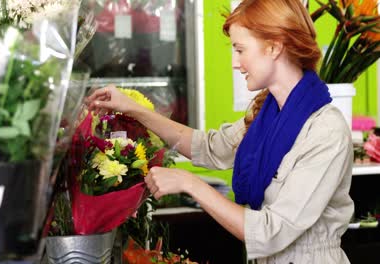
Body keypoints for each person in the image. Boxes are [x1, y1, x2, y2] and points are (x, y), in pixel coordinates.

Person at [86, 0, 354, 262]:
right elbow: (208, 147)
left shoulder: (325, 129)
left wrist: (190, 183)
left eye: (240, 49)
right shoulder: (266, 113)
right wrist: (131, 108)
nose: (235, 64)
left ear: (274, 47)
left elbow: (271, 232)